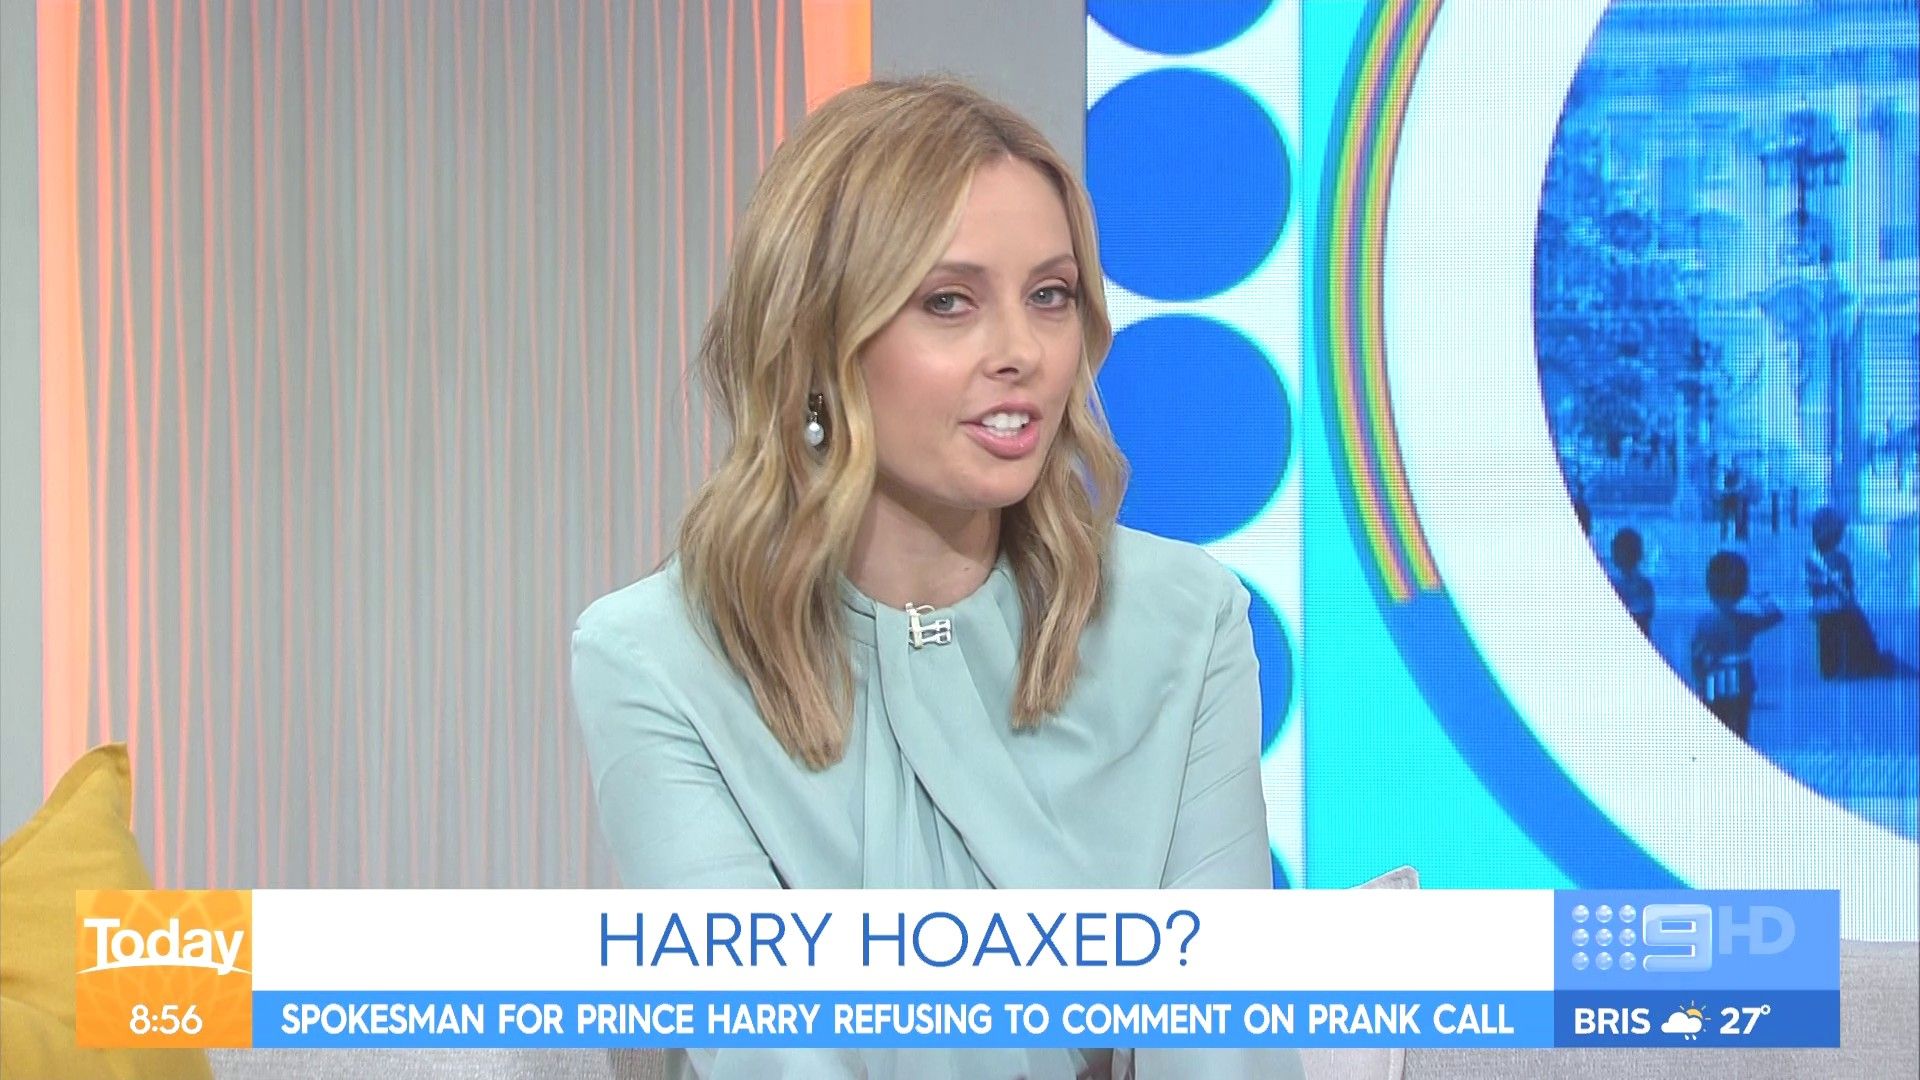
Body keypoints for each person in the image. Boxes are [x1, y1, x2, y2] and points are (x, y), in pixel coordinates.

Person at [571, 78, 1298, 1080]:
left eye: (1050, 296)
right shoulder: (657, 659)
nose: (1023, 353)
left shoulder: (1185, 620)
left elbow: (1222, 1044)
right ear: (818, 337)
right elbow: (770, 1056)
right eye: (949, 302)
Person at [1689, 551, 1783, 742]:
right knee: (1740, 733)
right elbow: (1776, 614)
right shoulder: (1745, 621)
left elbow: (1696, 657)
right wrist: (1753, 593)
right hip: (1742, 682)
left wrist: (1699, 684)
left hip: (1713, 682)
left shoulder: (1705, 622)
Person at [1805, 506, 1888, 678]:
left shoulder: (1813, 559)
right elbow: (1848, 586)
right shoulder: (1838, 559)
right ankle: (1851, 667)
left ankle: (1835, 669)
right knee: (1847, 637)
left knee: (1829, 642)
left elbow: (1815, 588)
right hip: (1841, 609)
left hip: (1826, 610)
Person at [1606, 527, 1655, 636]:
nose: (1613, 554)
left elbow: (1643, 617)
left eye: (1617, 550)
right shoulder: (1644, 584)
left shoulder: (1643, 585)